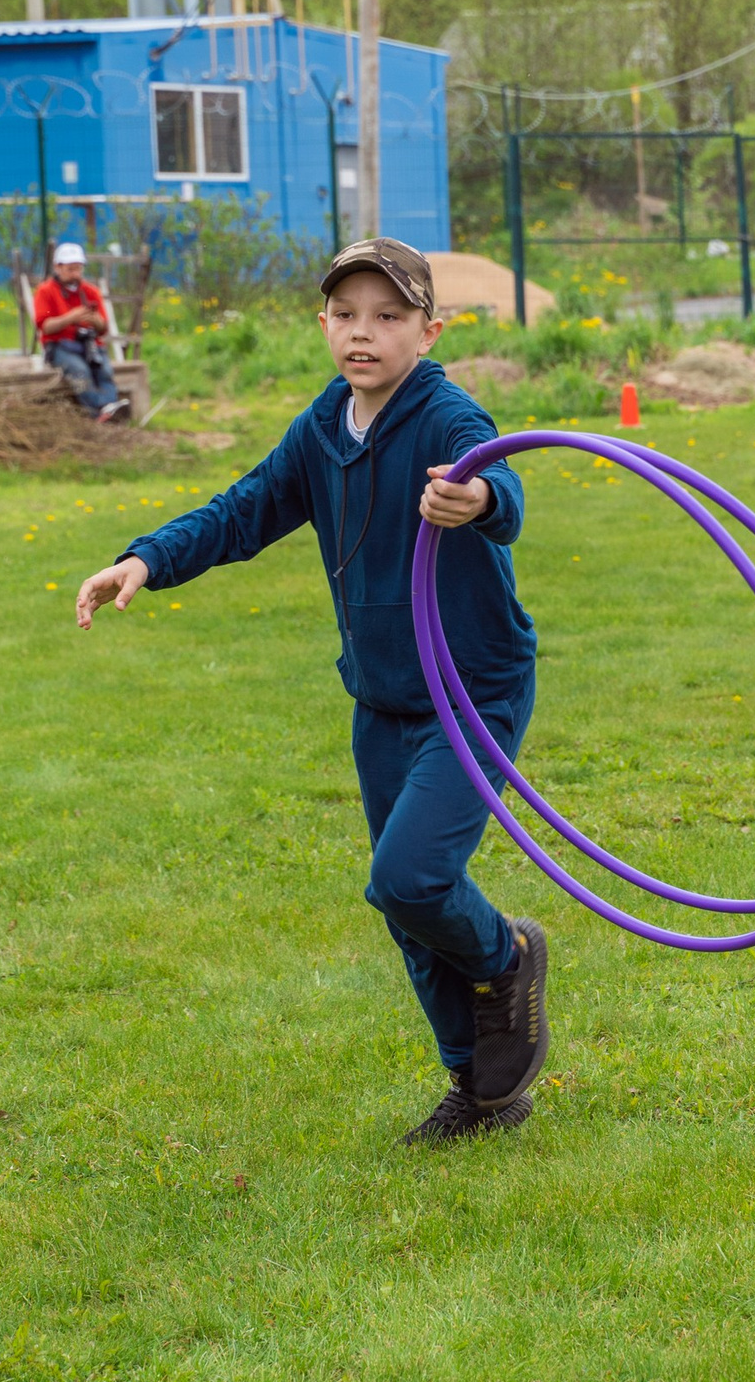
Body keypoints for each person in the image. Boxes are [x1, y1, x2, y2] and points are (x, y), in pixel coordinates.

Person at [72, 236, 550, 1145]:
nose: (361, 333)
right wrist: (146, 557)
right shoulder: (325, 426)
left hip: (470, 690)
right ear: (323, 323)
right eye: (345, 314)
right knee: (404, 910)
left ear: (428, 329)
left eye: (387, 316)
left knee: (411, 877)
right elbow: (244, 507)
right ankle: (482, 1093)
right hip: (382, 697)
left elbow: (506, 484)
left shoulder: (448, 417)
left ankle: (508, 955)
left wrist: (480, 503)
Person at [32, 242, 128, 422]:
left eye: (78, 269)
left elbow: (103, 329)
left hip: (90, 343)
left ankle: (107, 409)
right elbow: (44, 326)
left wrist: (96, 321)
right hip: (60, 345)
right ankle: (101, 410)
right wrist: (71, 318)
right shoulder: (45, 291)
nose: (75, 274)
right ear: (57, 267)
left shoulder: (91, 291)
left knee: (104, 371)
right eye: (70, 269)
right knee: (80, 371)